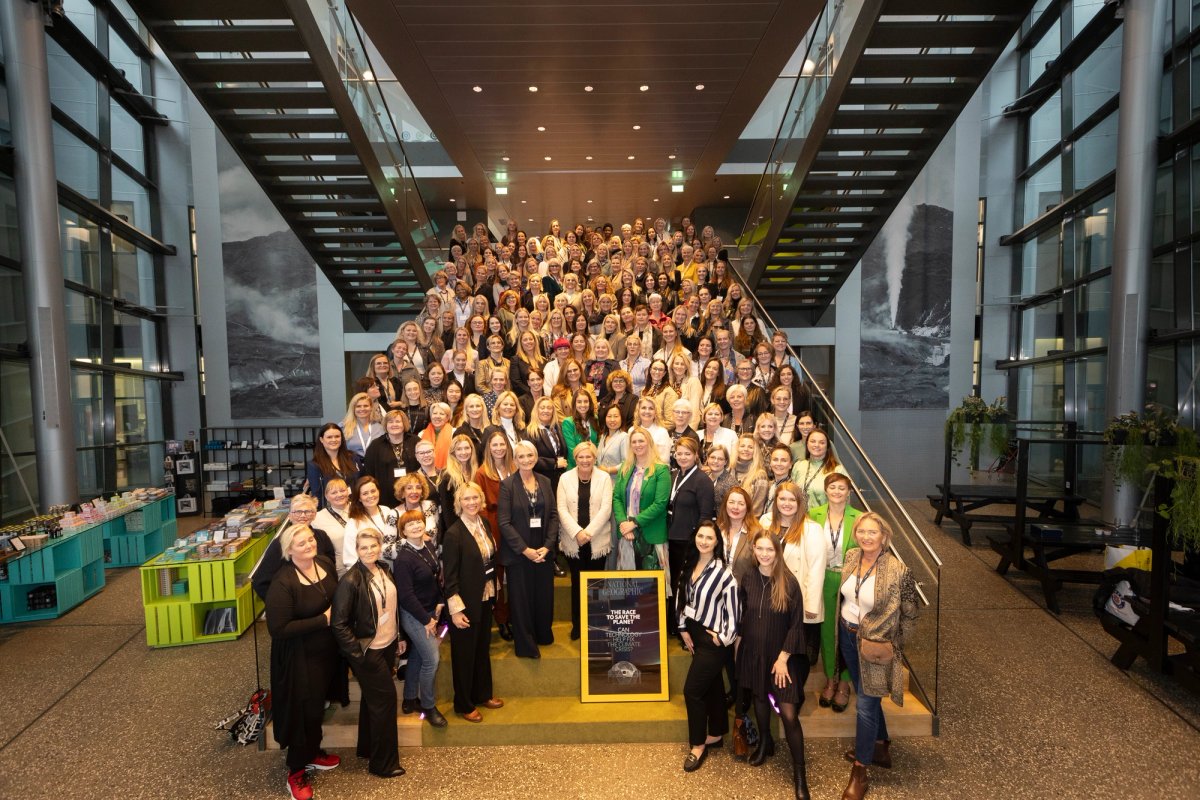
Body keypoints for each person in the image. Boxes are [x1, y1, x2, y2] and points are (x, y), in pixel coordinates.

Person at [838, 513, 919, 800]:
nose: (866, 537)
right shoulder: (851, 557)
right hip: (847, 635)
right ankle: (881, 745)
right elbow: (847, 596)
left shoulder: (899, 570)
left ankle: (860, 773)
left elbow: (911, 612)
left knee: (865, 706)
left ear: (884, 536)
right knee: (868, 695)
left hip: (875, 645)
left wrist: (895, 645)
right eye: (861, 531)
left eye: (872, 532)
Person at [265, 524, 341, 800]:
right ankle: (296, 771)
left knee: (317, 706)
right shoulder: (283, 583)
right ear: (289, 550)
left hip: (325, 653)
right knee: (303, 712)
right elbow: (278, 629)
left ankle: (313, 752)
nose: (309, 545)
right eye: (301, 543)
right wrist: (324, 620)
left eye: (310, 539)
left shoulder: (324, 564)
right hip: (299, 659)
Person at [737, 532, 811, 799]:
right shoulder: (748, 577)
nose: (764, 554)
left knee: (789, 714)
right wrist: (738, 645)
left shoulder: (789, 582)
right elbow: (743, 615)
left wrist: (783, 659)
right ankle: (765, 742)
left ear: (778, 552)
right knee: (759, 698)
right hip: (754, 653)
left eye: (770, 549)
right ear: (754, 549)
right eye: (760, 548)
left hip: (783, 658)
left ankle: (800, 773)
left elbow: (796, 626)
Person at [329, 528, 406, 779]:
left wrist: (399, 637)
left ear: (380, 546)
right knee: (385, 701)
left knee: (372, 701)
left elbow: (391, 608)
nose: (369, 551)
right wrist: (358, 654)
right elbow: (338, 624)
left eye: (373, 546)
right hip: (368, 651)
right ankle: (383, 764)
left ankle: (367, 748)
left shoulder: (384, 569)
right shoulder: (350, 580)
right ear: (356, 550)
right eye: (364, 547)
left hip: (387, 644)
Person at [677, 522, 739, 773]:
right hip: (693, 633)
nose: (703, 541)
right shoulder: (690, 563)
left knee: (692, 691)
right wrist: (682, 627)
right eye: (700, 536)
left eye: (709, 538)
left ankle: (698, 744)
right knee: (712, 685)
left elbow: (734, 612)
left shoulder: (724, 573)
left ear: (717, 542)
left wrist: (722, 638)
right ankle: (716, 733)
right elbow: (682, 597)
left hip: (713, 641)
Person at [442, 482, 506, 722]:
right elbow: (450, 578)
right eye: (466, 499)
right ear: (459, 503)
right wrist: (456, 611)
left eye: (475, 498)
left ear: (481, 500)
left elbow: (489, 561)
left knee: (481, 649)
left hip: (485, 597)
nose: (471, 503)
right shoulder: (453, 534)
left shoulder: (484, 523)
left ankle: (483, 694)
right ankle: (464, 703)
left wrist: (493, 594)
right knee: (464, 655)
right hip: (465, 604)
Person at [498, 440, 558, 658]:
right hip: (519, 553)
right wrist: (525, 550)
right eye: (521, 456)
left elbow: (553, 516)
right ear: (515, 460)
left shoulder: (545, 481)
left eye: (530, 455)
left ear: (536, 457)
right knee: (521, 600)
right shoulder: (507, 485)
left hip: (542, 549)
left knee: (543, 595)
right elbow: (504, 522)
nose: (526, 460)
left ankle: (542, 634)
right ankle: (526, 645)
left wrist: (547, 546)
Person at [810, 472, 861, 713]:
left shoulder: (859, 518)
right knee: (827, 631)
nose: (837, 492)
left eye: (842, 488)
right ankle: (830, 679)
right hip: (823, 578)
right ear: (825, 490)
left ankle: (844, 682)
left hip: (850, 579)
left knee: (849, 632)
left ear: (848, 492)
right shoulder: (814, 515)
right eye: (833, 487)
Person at [392, 509, 447, 727]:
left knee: (416, 654)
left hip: (430, 610)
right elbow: (406, 596)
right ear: (403, 531)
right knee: (431, 660)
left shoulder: (428, 546)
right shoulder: (403, 559)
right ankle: (428, 706)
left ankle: (408, 700)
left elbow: (435, 578)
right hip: (415, 615)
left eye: (418, 522)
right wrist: (427, 620)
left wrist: (440, 601)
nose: (416, 526)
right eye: (410, 524)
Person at [556, 441, 614, 640]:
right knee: (577, 584)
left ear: (594, 458)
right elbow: (561, 509)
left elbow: (606, 509)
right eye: (580, 456)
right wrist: (577, 533)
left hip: (597, 540)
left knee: (596, 586)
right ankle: (578, 625)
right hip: (573, 542)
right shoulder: (564, 478)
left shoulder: (604, 478)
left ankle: (595, 625)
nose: (585, 460)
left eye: (588, 456)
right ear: (575, 458)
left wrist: (587, 533)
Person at [665, 436, 714, 633]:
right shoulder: (673, 475)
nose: (683, 457)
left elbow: (705, 515)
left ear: (696, 455)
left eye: (687, 453)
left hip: (688, 541)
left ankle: (684, 627)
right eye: (679, 453)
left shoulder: (703, 480)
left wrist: (697, 542)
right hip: (671, 538)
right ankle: (673, 624)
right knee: (673, 583)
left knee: (684, 585)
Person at [775, 482, 825, 668]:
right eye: (782, 498)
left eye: (792, 499)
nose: (786, 503)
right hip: (772, 598)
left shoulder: (812, 528)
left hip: (798, 600)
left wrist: (811, 605)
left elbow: (816, 569)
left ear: (799, 502)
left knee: (796, 656)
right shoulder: (765, 521)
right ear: (775, 500)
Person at [252, 494, 339, 599]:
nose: (303, 515)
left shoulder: (322, 536)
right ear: (290, 515)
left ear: (314, 515)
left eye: (308, 511)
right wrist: (281, 604)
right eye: (297, 512)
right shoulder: (280, 543)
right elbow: (261, 583)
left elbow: (330, 567)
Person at [473, 430, 515, 642]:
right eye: (494, 445)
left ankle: (515, 614)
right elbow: (479, 506)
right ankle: (501, 619)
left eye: (502, 444)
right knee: (497, 577)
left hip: (516, 527)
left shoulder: (515, 467)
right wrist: (487, 535)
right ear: (488, 448)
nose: (499, 448)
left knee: (516, 576)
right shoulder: (482, 473)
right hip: (495, 527)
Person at [612, 426, 671, 572]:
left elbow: (660, 504)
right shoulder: (625, 467)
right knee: (629, 581)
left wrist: (634, 523)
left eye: (641, 441)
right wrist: (623, 523)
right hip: (627, 532)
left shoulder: (661, 469)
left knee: (652, 584)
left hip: (651, 532)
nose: (637, 445)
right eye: (634, 442)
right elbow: (617, 497)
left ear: (649, 442)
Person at [340, 476, 398, 571]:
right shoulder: (354, 522)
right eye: (365, 493)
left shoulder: (387, 511)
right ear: (359, 498)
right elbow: (350, 558)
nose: (370, 496)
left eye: (373, 491)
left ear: (378, 491)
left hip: (394, 567)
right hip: (370, 571)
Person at [363, 410, 416, 507]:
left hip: (412, 494)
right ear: (386, 425)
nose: (394, 425)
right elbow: (369, 471)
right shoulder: (376, 445)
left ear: (404, 423)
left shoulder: (415, 441)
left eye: (398, 421)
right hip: (385, 497)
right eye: (390, 422)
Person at [790, 427, 848, 511]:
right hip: (799, 516)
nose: (816, 445)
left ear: (827, 446)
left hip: (824, 517)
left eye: (822, 442)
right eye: (813, 441)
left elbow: (844, 501)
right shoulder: (799, 465)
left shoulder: (837, 470)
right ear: (807, 444)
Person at [306, 423, 361, 509]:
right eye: (329, 437)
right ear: (321, 439)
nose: (334, 440)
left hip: (355, 508)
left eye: (337, 436)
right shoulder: (314, 465)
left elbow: (361, 482)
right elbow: (317, 495)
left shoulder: (353, 458)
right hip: (331, 511)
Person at [527, 394, 569, 491]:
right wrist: (554, 463)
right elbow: (530, 459)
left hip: (560, 479)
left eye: (549, 408)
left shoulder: (558, 428)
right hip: (542, 481)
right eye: (542, 408)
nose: (546, 410)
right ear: (536, 410)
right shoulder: (530, 432)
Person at [438, 434, 480, 532]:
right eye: (459, 449)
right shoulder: (447, 477)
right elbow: (447, 511)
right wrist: (457, 533)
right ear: (453, 452)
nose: (464, 452)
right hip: (457, 528)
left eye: (467, 448)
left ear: (472, 450)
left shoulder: (475, 472)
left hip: (475, 524)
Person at [312, 480, 352, 578]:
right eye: (334, 492)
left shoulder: (361, 509)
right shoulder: (317, 518)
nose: (339, 495)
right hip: (340, 572)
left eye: (342, 490)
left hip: (367, 564)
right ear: (326, 496)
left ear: (348, 492)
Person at [561, 389, 600, 469]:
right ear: (574, 404)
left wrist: (594, 464)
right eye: (579, 402)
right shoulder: (568, 422)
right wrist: (584, 466)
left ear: (590, 403)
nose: (583, 405)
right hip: (575, 467)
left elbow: (597, 443)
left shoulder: (595, 419)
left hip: (593, 465)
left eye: (586, 401)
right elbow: (572, 450)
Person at [732, 434, 769, 517]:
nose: (746, 449)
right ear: (737, 448)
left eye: (750, 447)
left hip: (748, 522)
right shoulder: (730, 470)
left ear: (755, 451)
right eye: (742, 446)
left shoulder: (760, 476)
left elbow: (756, 511)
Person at [341, 392, 384, 459]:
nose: (362, 409)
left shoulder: (380, 428)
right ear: (353, 408)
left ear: (371, 407)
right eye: (358, 406)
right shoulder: (343, 427)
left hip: (374, 464)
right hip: (352, 464)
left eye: (366, 406)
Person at [419, 401, 455, 470]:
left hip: (449, 471)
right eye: (435, 413)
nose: (437, 416)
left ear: (447, 417)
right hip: (426, 472)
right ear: (431, 416)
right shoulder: (421, 434)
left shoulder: (454, 433)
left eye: (442, 414)